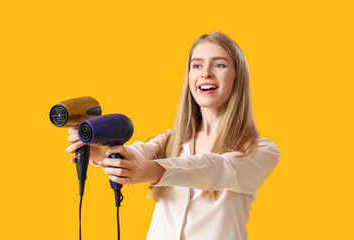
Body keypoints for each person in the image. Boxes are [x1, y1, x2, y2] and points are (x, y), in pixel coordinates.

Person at [67, 32, 281, 240]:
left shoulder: (260, 151)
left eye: (219, 65)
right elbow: (139, 152)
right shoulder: (172, 139)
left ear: (238, 76)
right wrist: (104, 152)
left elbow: (216, 168)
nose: (205, 73)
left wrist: (152, 171)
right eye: (197, 65)